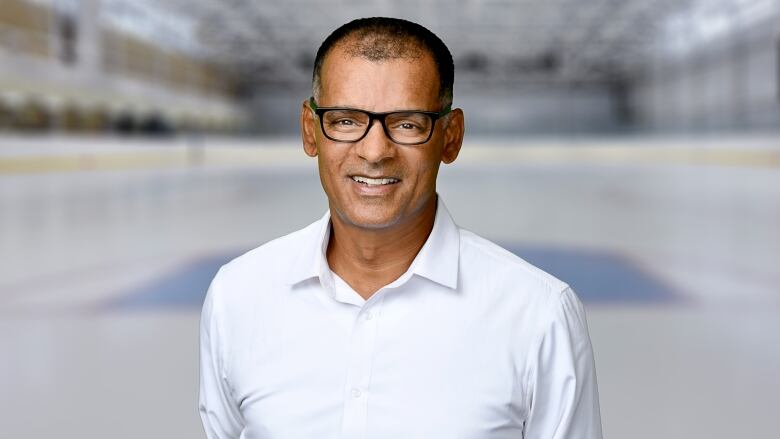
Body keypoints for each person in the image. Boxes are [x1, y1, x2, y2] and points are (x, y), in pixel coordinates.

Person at [199, 17, 602, 439]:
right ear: (310, 130)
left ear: (451, 137)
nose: (374, 151)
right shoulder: (238, 297)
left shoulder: (539, 315)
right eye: (345, 120)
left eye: (408, 123)